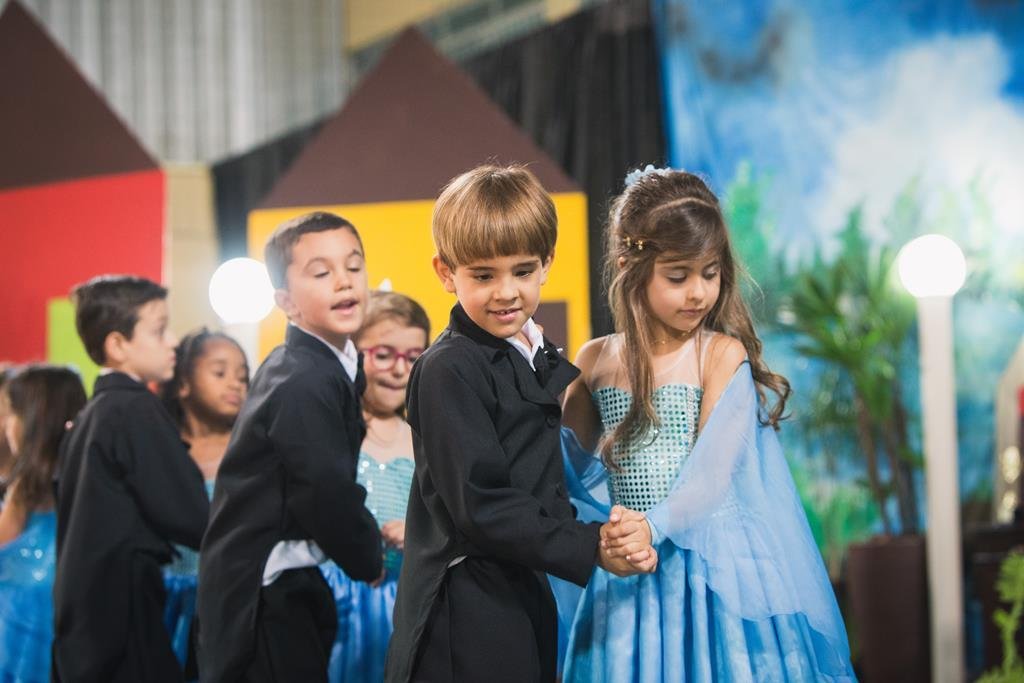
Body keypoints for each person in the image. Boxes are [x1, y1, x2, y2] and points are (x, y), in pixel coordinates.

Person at [559, 166, 857, 681]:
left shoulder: (720, 356)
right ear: (630, 265)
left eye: (711, 273)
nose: (698, 292)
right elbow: (567, 472)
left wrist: (651, 526)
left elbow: (710, 478)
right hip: (629, 569)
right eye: (678, 276)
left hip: (712, 573)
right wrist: (611, 534)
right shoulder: (594, 361)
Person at [385, 165, 656, 683]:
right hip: (466, 603)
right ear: (446, 273)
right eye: (483, 276)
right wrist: (592, 545)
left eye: (523, 271)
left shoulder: (528, 347)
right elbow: (482, 504)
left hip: (520, 581)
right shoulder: (447, 368)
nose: (506, 292)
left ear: (547, 263)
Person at [197, 212, 384, 682]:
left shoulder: (324, 363)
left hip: (282, 581)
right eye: (321, 273)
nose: (344, 281)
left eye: (354, 266)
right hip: (263, 590)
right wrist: (368, 558)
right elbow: (324, 491)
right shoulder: (303, 379)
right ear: (286, 302)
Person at [53, 275, 210, 682]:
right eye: (159, 330)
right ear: (117, 345)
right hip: (122, 612)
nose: (172, 342)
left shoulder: (94, 413)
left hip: (87, 617)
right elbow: (190, 513)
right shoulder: (133, 409)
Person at [321, 291, 429, 683]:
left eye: (413, 357)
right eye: (384, 355)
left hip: (404, 601)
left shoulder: (423, 438)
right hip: (338, 597)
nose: (399, 370)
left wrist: (417, 533)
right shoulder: (333, 430)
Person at [160, 329, 249, 676]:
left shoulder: (250, 450)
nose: (235, 384)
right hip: (170, 599)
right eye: (220, 372)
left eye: (242, 376)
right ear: (183, 383)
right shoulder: (162, 449)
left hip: (230, 602)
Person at [0, 365, 86, 682]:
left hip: (23, 617)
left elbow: (4, 538)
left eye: (11, 413)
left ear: (33, 421)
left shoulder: (25, 485)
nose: (7, 425)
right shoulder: (83, 474)